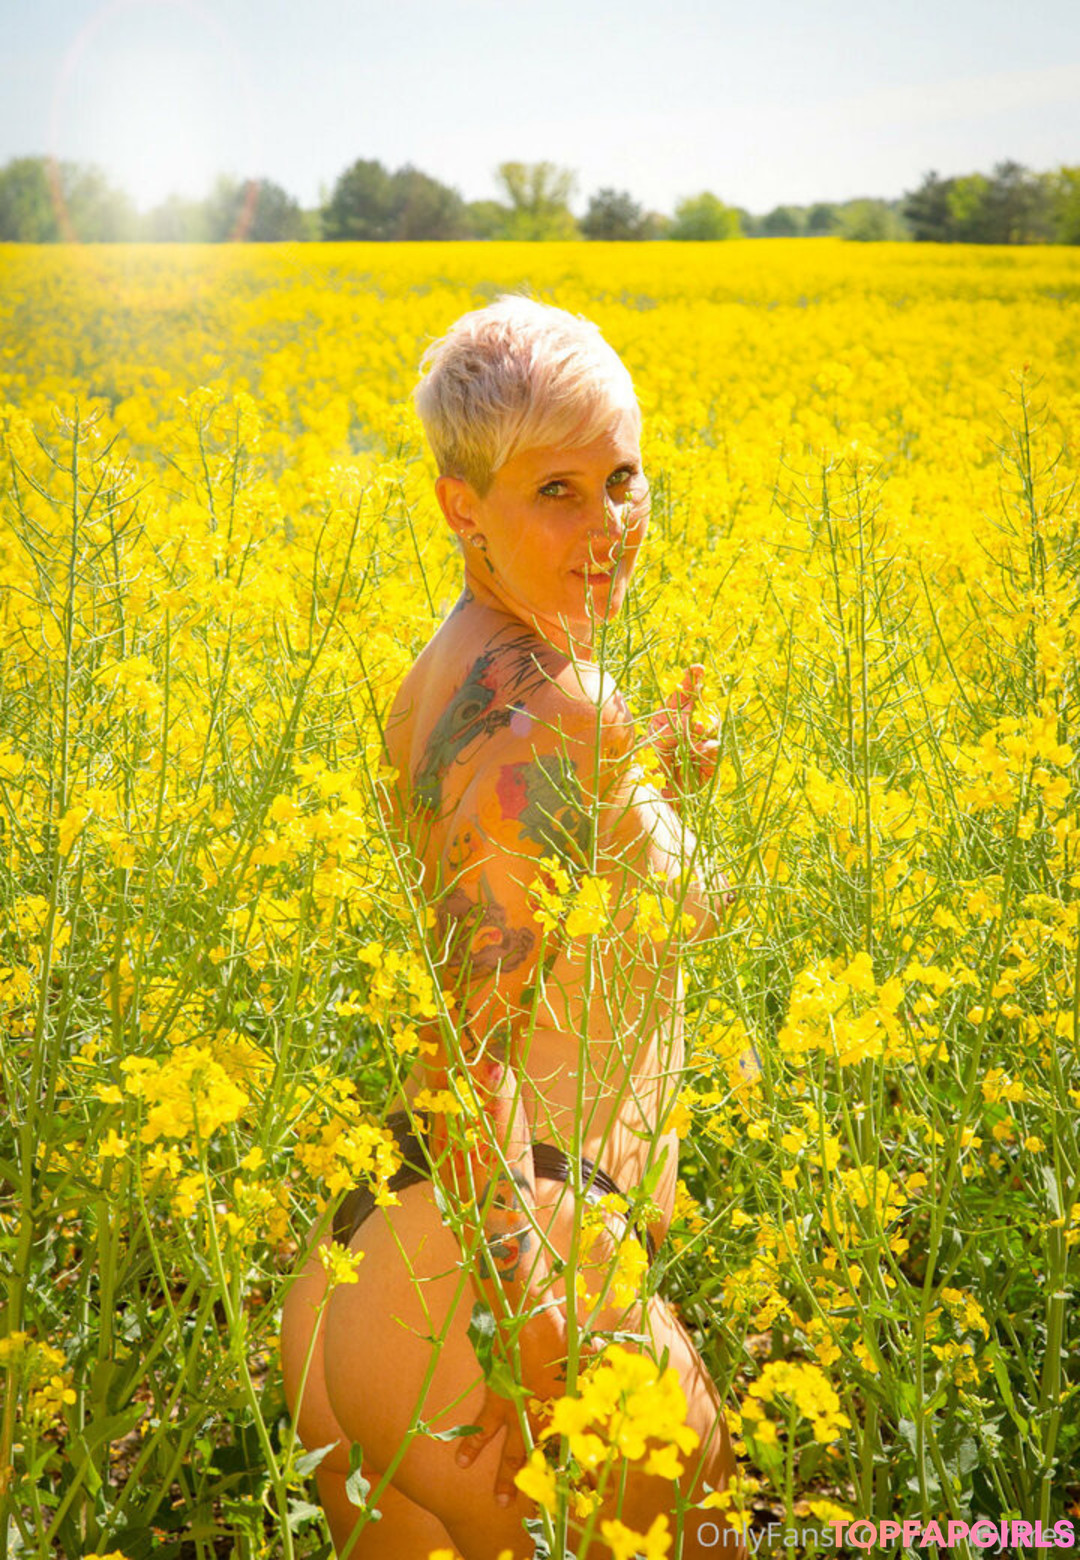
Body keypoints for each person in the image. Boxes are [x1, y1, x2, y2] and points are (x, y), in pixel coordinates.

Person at [280, 296, 744, 1559]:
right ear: (461, 506)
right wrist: (528, 1322)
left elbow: (519, 867)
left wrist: (648, 776)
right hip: (510, 1266)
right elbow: (470, 1036)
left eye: (623, 479)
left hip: (375, 1272)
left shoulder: (455, 670)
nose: (610, 525)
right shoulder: (555, 711)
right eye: (557, 491)